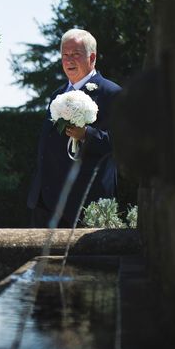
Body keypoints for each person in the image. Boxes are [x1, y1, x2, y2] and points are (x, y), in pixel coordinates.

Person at [27, 28, 122, 228]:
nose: (69, 60)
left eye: (75, 55)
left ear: (92, 57)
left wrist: (87, 134)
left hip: (85, 201)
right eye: (65, 55)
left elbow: (121, 143)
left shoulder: (111, 93)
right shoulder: (57, 95)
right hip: (46, 203)